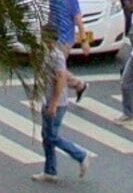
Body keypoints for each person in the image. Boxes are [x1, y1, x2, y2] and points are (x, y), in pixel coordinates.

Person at [33, 27, 92, 182]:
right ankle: (50, 171)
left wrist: (53, 103)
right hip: (48, 100)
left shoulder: (56, 56)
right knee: (46, 137)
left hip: (57, 103)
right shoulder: (48, 53)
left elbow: (61, 79)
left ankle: (81, 155)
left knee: (51, 136)